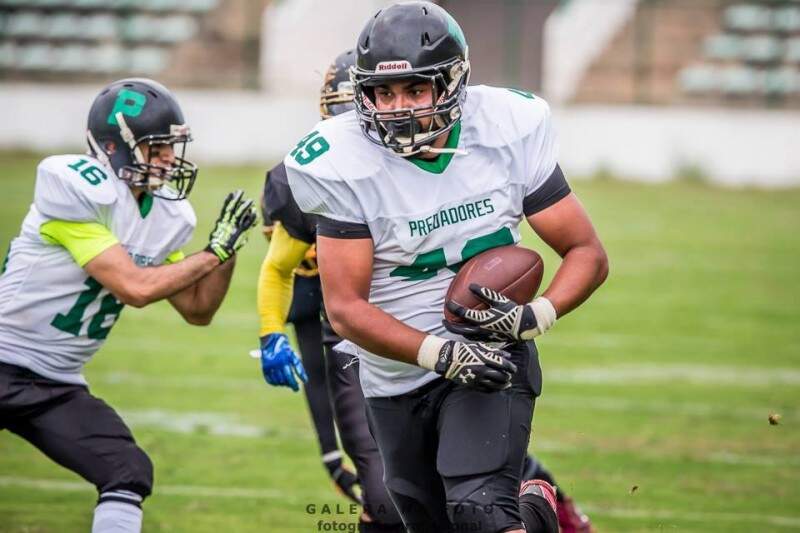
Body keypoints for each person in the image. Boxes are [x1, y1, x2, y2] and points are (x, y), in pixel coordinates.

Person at [285, 3, 609, 533]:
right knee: (423, 518)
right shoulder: (339, 161)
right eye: (383, 94)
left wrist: (537, 315)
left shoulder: (507, 127)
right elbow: (344, 309)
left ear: (454, 82)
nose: (398, 108)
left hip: (490, 353)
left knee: (479, 511)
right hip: (396, 373)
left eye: (416, 90)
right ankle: (538, 515)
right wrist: (440, 353)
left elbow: (587, 253)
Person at [0, 78, 258, 533]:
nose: (168, 159)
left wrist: (227, 249)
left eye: (171, 147)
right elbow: (135, 288)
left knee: (127, 470)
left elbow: (198, 309)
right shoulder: (75, 190)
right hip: (3, 360)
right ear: (115, 147)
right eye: (155, 148)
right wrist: (210, 254)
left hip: (54, 383)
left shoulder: (165, 214)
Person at [258, 49, 405, 532]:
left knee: (470, 488)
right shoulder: (304, 175)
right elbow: (281, 271)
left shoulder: (416, 162)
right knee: (384, 498)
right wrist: (269, 333)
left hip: (427, 330)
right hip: (350, 341)